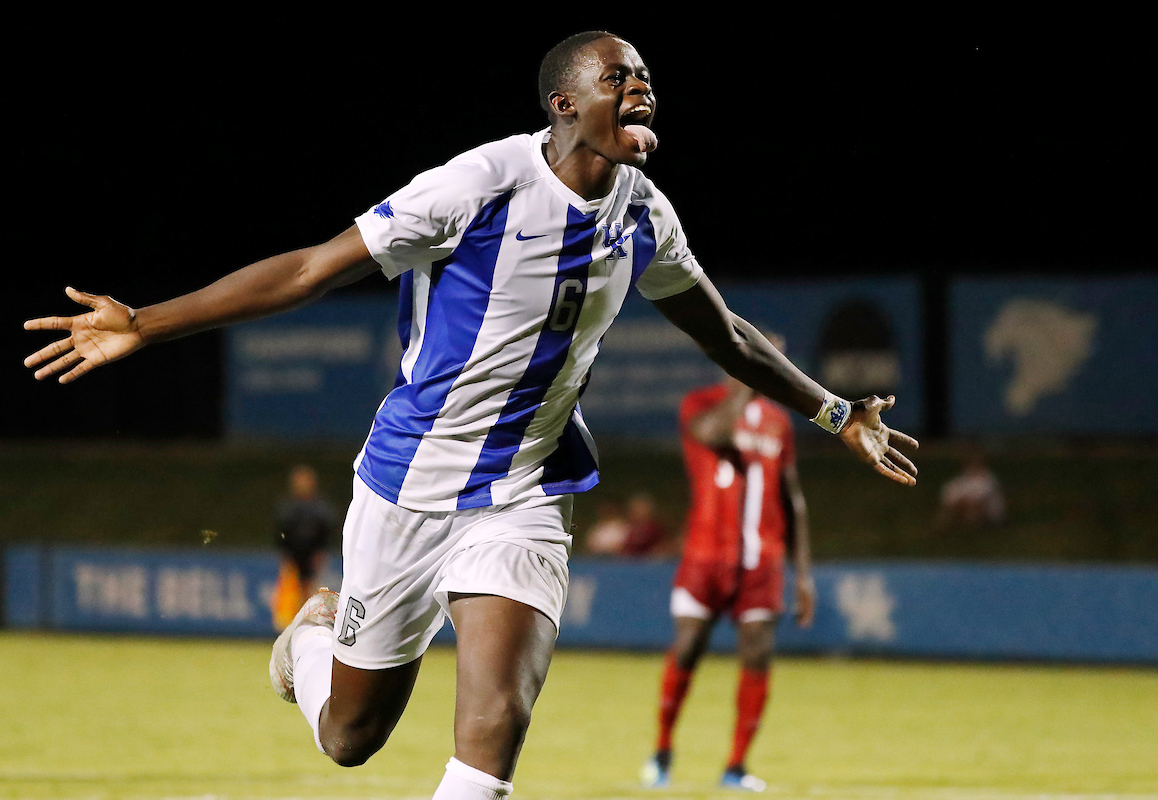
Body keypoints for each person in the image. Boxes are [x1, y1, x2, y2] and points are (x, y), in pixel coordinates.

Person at [23, 31, 918, 800]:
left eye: (645, 77)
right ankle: (306, 644)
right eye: (620, 75)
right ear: (565, 102)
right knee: (349, 737)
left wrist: (836, 413)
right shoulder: (481, 183)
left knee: (493, 729)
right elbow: (309, 270)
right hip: (407, 484)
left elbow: (725, 333)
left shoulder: (646, 217)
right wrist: (144, 323)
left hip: (524, 492)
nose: (641, 86)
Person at [640, 336, 814, 792]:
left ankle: (736, 765)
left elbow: (792, 498)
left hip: (762, 561)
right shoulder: (700, 404)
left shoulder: (778, 422)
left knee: (757, 654)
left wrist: (804, 574)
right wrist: (744, 382)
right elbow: (713, 435)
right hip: (705, 556)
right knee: (689, 646)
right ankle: (662, 749)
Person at [271, 464, 340, 629]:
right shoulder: (288, 507)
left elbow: (326, 533)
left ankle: (308, 629)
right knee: (288, 596)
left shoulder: (320, 507)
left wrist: (321, 555)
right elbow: (280, 534)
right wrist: (284, 556)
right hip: (293, 558)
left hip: (312, 558)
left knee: (310, 596)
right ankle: (287, 631)